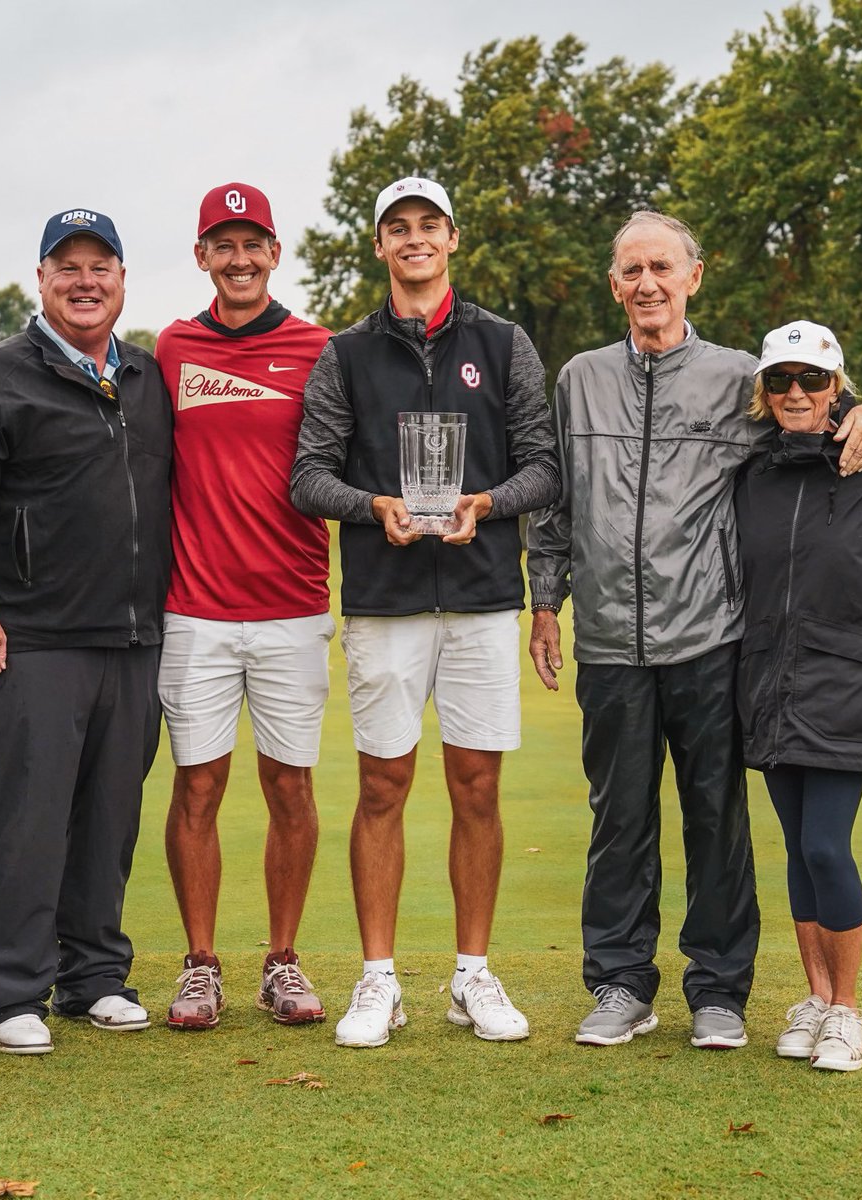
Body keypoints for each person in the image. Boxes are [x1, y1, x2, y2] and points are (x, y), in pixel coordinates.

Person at [525, 211, 862, 1051]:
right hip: (608, 640)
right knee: (618, 821)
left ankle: (719, 991)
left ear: (694, 276)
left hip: (711, 638)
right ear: (613, 285)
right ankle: (621, 983)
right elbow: (557, 504)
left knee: (716, 819)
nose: (647, 283)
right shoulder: (579, 378)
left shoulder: (735, 377)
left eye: (662, 267)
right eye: (631, 270)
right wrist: (546, 602)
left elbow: (821, 420)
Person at [291, 176, 560, 1048]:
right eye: (398, 227)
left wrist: (488, 501)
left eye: (429, 225)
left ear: (452, 238)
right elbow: (309, 477)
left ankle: (472, 975)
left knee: (477, 786)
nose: (414, 238)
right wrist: (375, 507)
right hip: (386, 601)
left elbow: (544, 467)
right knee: (382, 786)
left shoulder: (503, 342)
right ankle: (379, 979)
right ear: (379, 245)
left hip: (482, 598)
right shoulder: (346, 354)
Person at [0, 209, 171, 1056]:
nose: (85, 281)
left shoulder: (144, 376)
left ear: (123, 279)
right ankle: (10, 990)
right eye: (68, 267)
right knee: (24, 819)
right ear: (41, 279)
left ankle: (93, 976)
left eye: (101, 266)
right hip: (30, 638)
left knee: (109, 819)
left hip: (132, 638)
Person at [154, 183, 333, 1030]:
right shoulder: (172, 347)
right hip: (195, 607)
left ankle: (282, 961)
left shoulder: (318, 348)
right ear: (202, 257)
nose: (239, 259)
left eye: (252, 243)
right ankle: (200, 966)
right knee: (198, 784)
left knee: (289, 784)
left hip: (293, 605)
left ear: (275, 253)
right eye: (222, 245)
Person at [734, 320, 862, 1072]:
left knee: (825, 844)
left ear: (836, 387)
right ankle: (816, 998)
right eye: (780, 379)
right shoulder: (753, 471)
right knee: (798, 850)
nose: (795, 392)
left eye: (811, 380)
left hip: (853, 688)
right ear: (764, 389)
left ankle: (847, 1011)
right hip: (771, 684)